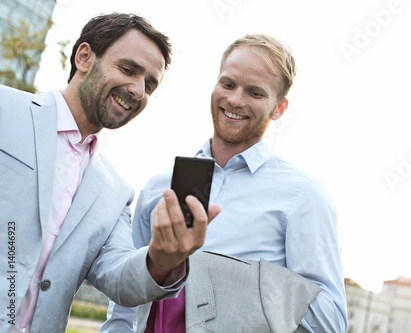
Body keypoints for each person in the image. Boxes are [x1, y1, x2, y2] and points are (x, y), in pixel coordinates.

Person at [102, 34, 348, 332]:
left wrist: (235, 278)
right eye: (228, 84)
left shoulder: (303, 196)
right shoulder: (158, 186)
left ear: (278, 108)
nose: (235, 100)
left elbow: (331, 320)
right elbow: (125, 299)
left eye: (255, 93)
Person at [0, 13, 220, 333]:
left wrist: (160, 259)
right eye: (128, 69)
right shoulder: (5, 109)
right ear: (85, 57)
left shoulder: (116, 191)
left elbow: (118, 279)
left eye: (150, 84)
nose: (137, 89)